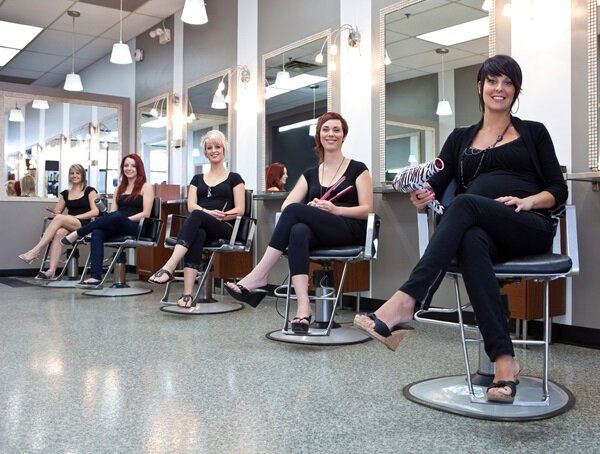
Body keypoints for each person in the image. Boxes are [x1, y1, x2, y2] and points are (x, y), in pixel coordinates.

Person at [354, 55, 567, 404]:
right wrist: (422, 197)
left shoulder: (533, 133)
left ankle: (407, 301)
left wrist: (528, 201)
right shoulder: (459, 138)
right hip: (481, 231)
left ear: (516, 90)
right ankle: (504, 363)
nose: (499, 89)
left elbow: (559, 190)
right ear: (479, 87)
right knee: (469, 239)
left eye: (508, 83)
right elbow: (434, 185)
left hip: (526, 224)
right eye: (492, 81)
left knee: (464, 204)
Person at [225, 112, 373, 333]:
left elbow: (368, 209)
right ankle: (304, 308)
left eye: (336, 130)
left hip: (349, 229)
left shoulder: (358, 169)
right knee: (298, 230)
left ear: (343, 136)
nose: (330, 134)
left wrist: (335, 209)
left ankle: (260, 274)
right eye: (325, 129)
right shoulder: (310, 174)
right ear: (318, 135)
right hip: (320, 232)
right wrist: (311, 208)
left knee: (297, 215)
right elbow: (287, 207)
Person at [148, 130, 245, 308]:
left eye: (217, 146)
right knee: (197, 232)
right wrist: (207, 213)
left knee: (198, 215)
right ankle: (187, 295)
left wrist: (221, 214)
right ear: (205, 153)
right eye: (210, 148)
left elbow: (240, 209)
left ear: (224, 150)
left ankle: (169, 267)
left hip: (224, 226)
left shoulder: (234, 178)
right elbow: (191, 205)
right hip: (202, 224)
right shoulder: (197, 178)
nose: (214, 150)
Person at [61, 154, 154, 286]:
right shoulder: (119, 188)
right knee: (98, 231)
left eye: (133, 165)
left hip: (136, 226)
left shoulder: (146, 187)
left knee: (117, 216)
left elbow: (146, 213)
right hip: (118, 223)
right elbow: (113, 212)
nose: (129, 168)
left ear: (139, 168)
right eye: (126, 165)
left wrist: (123, 219)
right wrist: (117, 218)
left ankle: (78, 233)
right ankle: (96, 277)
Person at [18, 164, 98, 279]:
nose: (74, 176)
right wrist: (55, 213)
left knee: (60, 219)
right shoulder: (65, 194)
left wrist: (76, 217)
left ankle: (35, 251)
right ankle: (51, 271)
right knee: (59, 233)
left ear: (83, 175)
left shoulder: (90, 191)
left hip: (85, 224)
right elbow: (58, 212)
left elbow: (95, 212)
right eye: (72, 173)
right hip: (70, 223)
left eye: (77, 173)